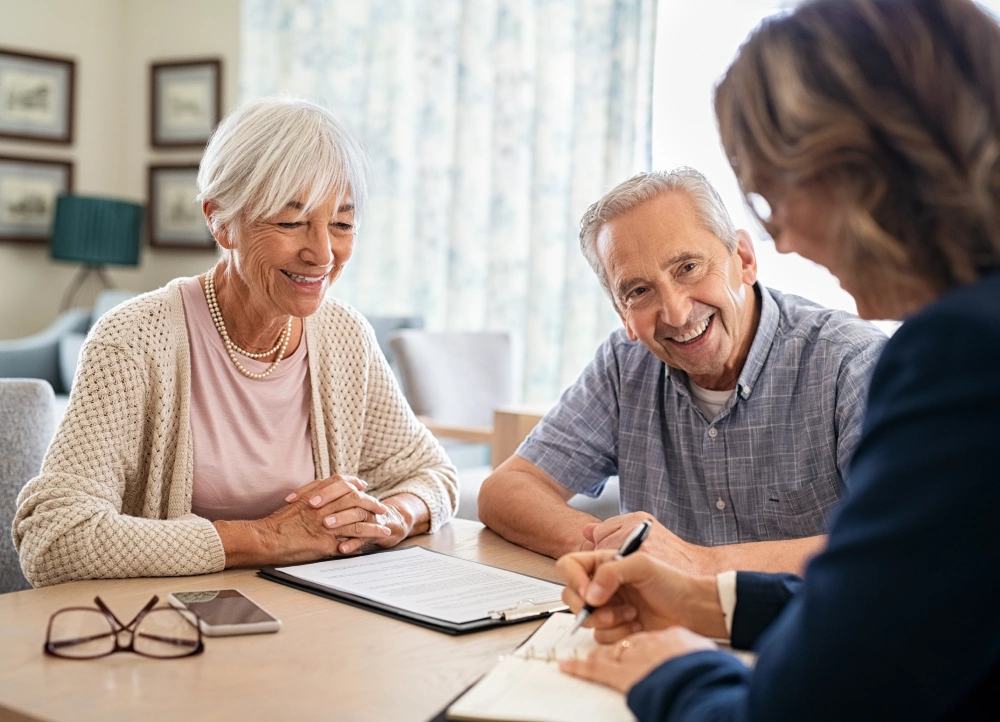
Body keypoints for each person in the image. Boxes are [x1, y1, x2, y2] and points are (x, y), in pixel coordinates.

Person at [556, 0, 1000, 718]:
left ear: (859, 165)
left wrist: (674, 671)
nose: (784, 238)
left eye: (773, 193)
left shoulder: (958, 357)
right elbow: (899, 597)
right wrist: (709, 601)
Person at [14, 97, 458, 588]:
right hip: (173, 627)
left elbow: (432, 474)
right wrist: (268, 538)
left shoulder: (345, 336)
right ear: (220, 221)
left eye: (342, 224)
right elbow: (54, 539)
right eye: (291, 222)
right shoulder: (133, 340)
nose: (323, 253)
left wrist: (389, 517)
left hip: (320, 622)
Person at [478, 167, 886, 575]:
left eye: (688, 267)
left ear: (743, 260)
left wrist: (697, 564)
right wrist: (616, 548)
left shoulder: (852, 362)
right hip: (660, 635)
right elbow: (505, 489)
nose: (675, 312)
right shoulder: (625, 365)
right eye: (639, 291)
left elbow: (902, 541)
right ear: (624, 315)